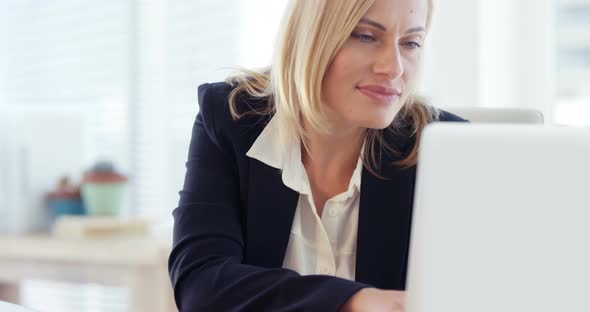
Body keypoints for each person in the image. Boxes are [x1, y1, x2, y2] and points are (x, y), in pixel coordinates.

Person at [169, 0, 466, 311]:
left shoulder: (447, 149)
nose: (393, 68)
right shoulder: (232, 119)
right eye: (365, 36)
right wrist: (353, 301)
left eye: (411, 43)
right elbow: (201, 286)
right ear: (311, 36)